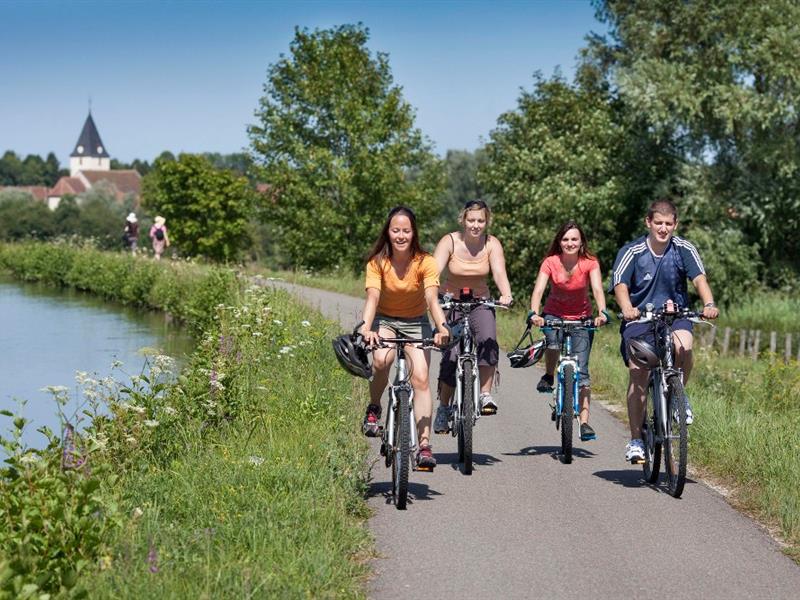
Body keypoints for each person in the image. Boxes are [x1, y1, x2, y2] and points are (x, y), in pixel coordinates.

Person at [609, 198, 719, 463]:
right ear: (648, 222)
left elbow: (699, 279)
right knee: (638, 374)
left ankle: (680, 396)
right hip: (640, 320)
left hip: (674, 315)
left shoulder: (683, 249)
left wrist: (709, 303)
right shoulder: (632, 251)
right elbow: (620, 284)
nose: (663, 228)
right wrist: (627, 308)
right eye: (658, 223)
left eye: (668, 224)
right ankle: (636, 439)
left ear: (675, 224)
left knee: (685, 346)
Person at [360, 206, 450, 470]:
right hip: (385, 320)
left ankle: (423, 445)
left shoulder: (426, 262)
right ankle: (375, 407)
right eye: (395, 230)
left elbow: (432, 299)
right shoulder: (377, 262)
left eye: (406, 231)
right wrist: (366, 328)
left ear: (414, 233)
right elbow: (373, 298)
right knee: (380, 360)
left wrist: (442, 327)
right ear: (388, 232)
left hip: (416, 323)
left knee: (420, 377)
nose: (401, 235)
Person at [432, 200, 512, 433]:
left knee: (488, 340)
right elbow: (434, 272)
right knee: (451, 353)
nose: (476, 225)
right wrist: (433, 293)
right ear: (463, 220)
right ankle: (444, 408)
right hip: (450, 301)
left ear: (486, 222)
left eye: (480, 221)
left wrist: (505, 293)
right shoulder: (449, 242)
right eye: (471, 220)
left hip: (480, 302)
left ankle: (485, 394)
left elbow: (499, 272)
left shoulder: (491, 244)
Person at [527, 221, 608, 441]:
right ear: (559, 242)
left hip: (582, 319)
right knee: (552, 344)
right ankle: (550, 375)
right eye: (565, 239)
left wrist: (602, 313)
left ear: (581, 242)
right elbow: (538, 290)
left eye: (574, 239)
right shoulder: (550, 262)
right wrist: (534, 314)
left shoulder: (589, 263)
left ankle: (584, 423)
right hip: (553, 315)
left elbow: (598, 289)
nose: (570, 243)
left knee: (582, 373)